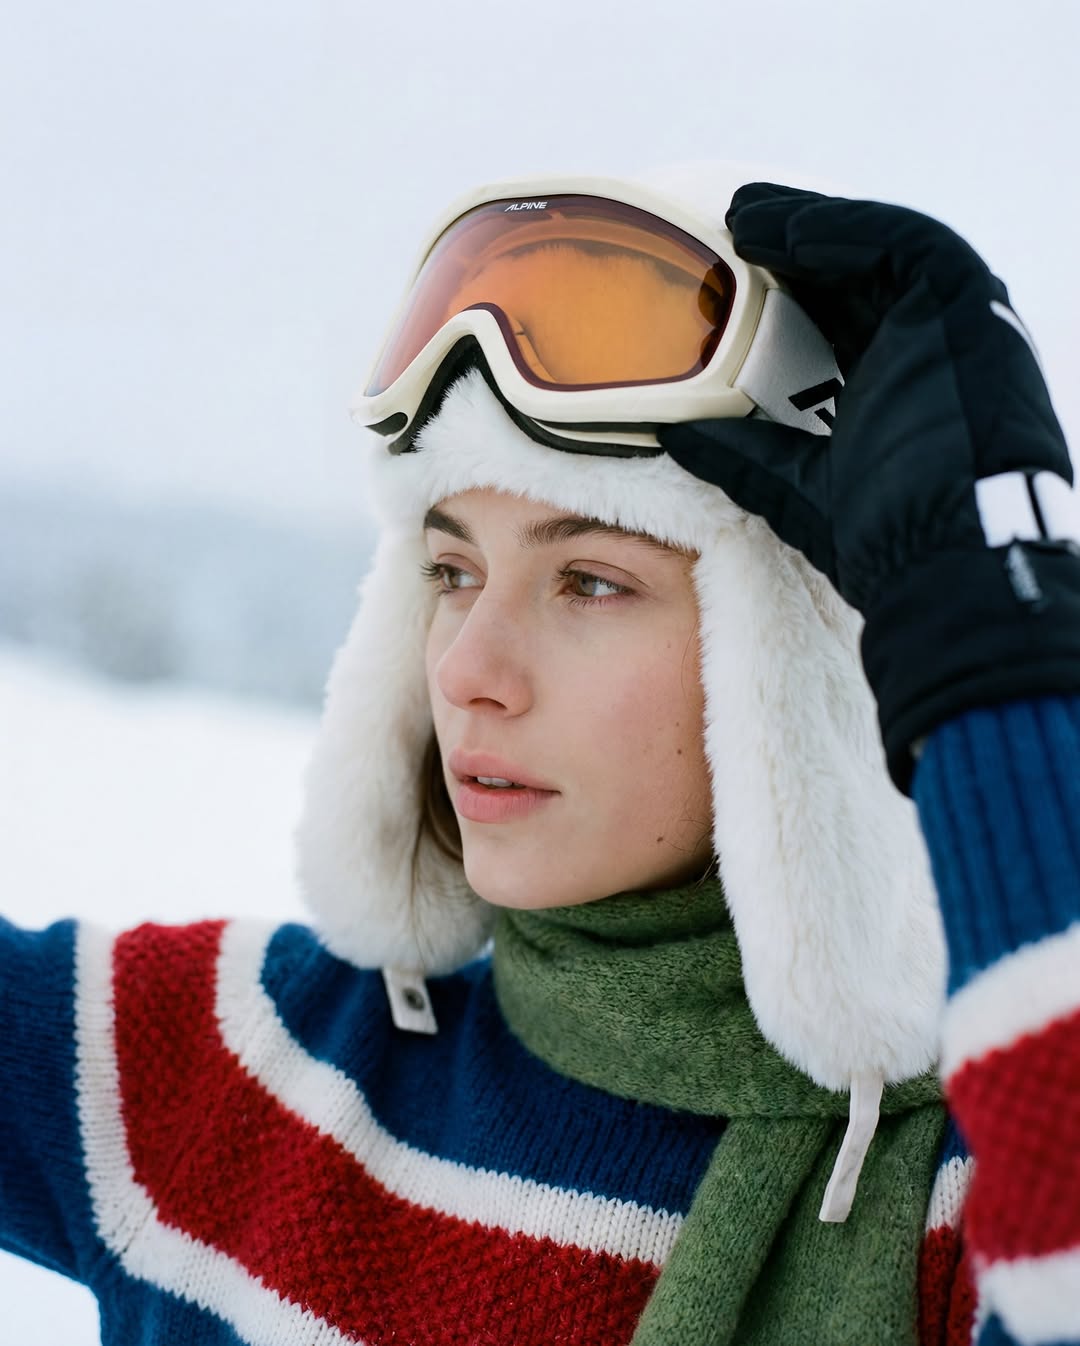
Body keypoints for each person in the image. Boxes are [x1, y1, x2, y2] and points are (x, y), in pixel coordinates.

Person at [1, 167, 1077, 1346]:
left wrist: (990, 636)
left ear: (791, 676)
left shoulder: (984, 1199)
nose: (469, 665)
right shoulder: (228, 1071)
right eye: (451, 571)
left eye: (591, 581)